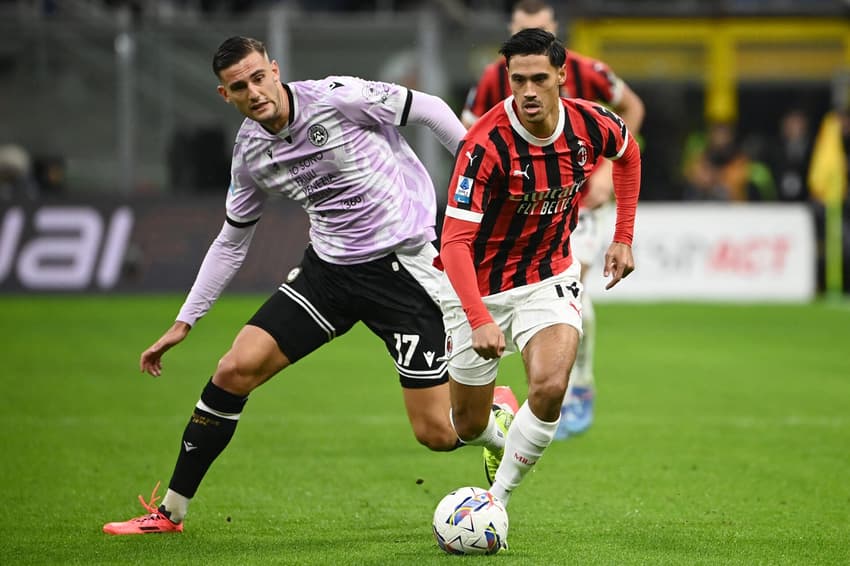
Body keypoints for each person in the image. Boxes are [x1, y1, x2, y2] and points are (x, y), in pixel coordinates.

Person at [102, 35, 516, 535]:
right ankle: (170, 513)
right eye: (239, 86)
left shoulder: (338, 96)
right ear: (225, 96)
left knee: (437, 433)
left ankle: (495, 415)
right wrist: (185, 321)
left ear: (274, 71)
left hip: (403, 270)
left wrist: (479, 180)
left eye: (259, 77)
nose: (254, 92)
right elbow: (232, 242)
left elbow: (426, 107)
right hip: (330, 273)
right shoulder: (251, 154)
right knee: (234, 369)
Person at [437, 28, 640, 506]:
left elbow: (628, 154)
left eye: (539, 79)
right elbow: (455, 242)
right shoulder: (484, 145)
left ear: (561, 77)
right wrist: (479, 318)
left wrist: (623, 237)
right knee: (466, 425)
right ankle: (499, 421)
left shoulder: (592, 124)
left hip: (548, 274)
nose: (528, 91)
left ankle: (495, 503)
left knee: (550, 386)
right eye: (518, 79)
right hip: (478, 286)